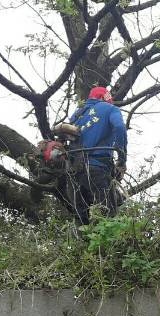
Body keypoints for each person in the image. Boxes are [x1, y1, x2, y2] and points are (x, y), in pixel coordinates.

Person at [55, 86, 128, 224]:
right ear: (104, 98)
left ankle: (84, 243)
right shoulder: (110, 109)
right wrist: (122, 160)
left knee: (82, 220)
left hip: (73, 172)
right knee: (109, 215)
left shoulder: (77, 114)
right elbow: (119, 127)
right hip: (96, 168)